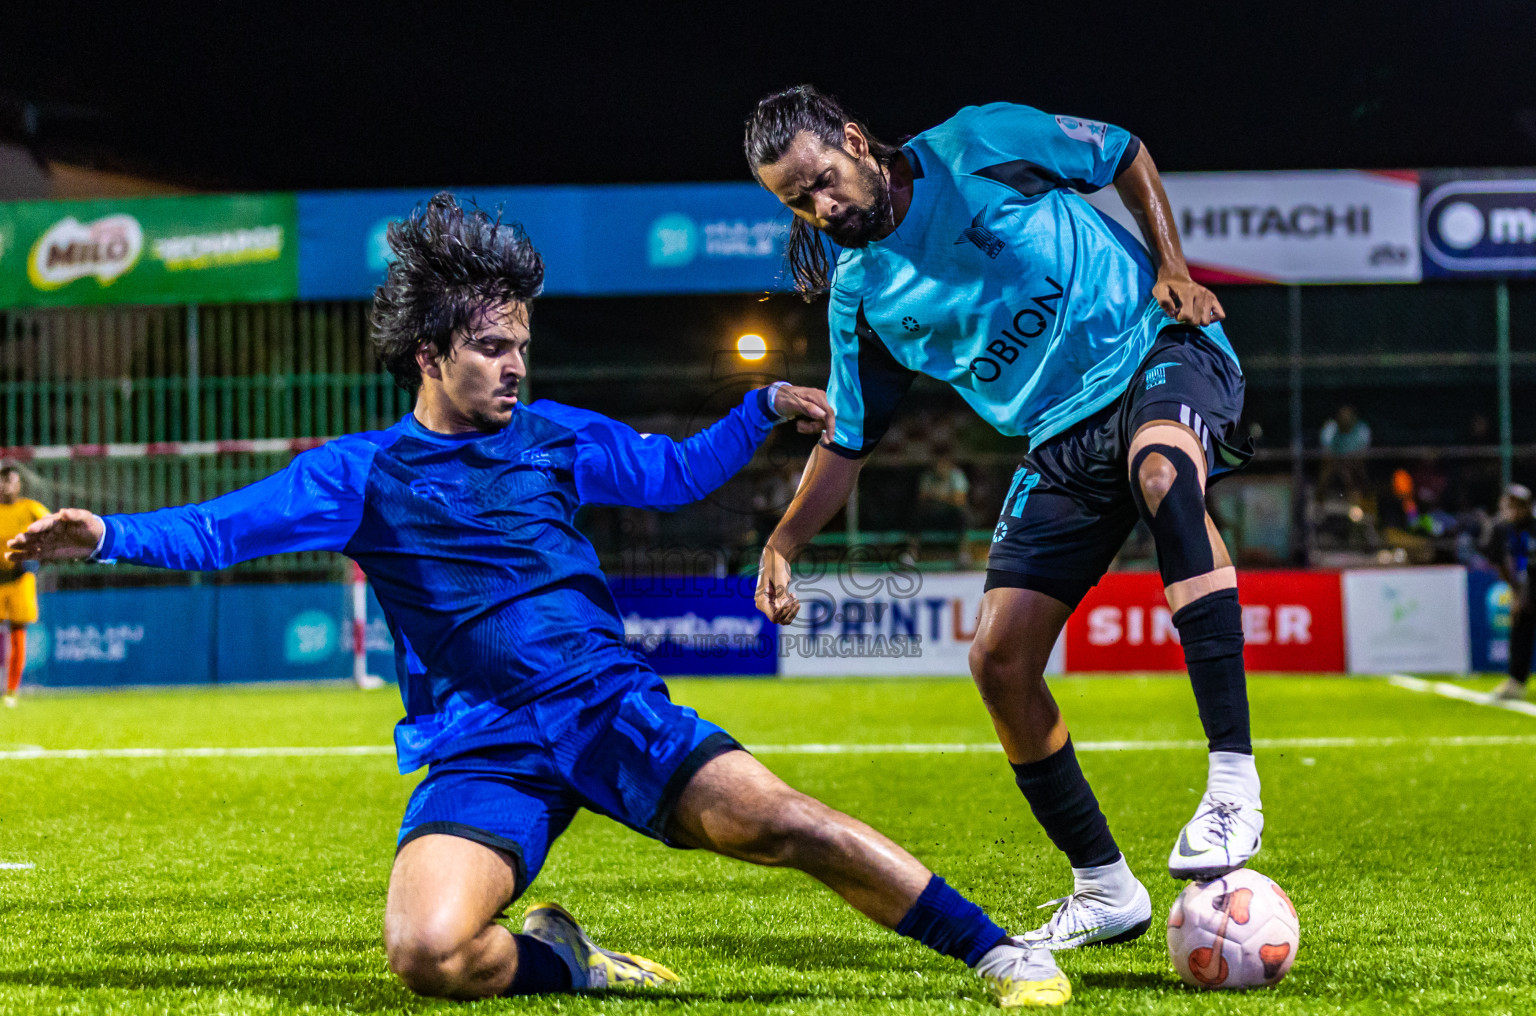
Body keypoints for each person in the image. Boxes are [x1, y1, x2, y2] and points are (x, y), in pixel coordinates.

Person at [7, 193, 1070, 1008]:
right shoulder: (360, 471)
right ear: (430, 356)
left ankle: (996, 948)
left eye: (524, 345)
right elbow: (217, 531)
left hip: (608, 707)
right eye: (492, 348)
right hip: (483, 743)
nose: (518, 365)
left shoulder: (555, 433)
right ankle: (565, 960)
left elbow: (673, 476)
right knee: (429, 953)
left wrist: (759, 410)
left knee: (787, 823)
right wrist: (101, 532)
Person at [745, 86, 1261, 950]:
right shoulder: (861, 295)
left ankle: (1233, 785)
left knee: (1165, 472)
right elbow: (849, 440)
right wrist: (783, 542)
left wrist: (1172, 264)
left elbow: (1125, 149)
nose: (821, 208)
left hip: (1154, 348)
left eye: (824, 181)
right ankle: (1104, 890)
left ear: (855, 140)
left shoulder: (979, 142)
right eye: (798, 201)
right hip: (1057, 438)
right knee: (998, 659)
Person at [0, 465, 49, 706]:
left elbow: (53, 526)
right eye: (1, 480)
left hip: (20, 578)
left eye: (9, 480)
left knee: (18, 635)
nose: (4, 485)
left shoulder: (30, 509)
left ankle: (11, 691)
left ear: (19, 484)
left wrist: (40, 554)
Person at [1484, 484, 1534, 701]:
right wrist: (1514, 592)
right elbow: (1498, 562)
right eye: (1509, 505)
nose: (1512, 511)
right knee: (1520, 628)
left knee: (1523, 615)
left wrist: (1522, 596)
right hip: (1523, 585)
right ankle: (1516, 680)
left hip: (1532, 582)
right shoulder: (1500, 529)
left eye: (1518, 506)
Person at [909, 442, 972, 567]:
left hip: (950, 516)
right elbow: (922, 498)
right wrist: (947, 497)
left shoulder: (956, 475)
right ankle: (910, 554)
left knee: (962, 513)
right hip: (932, 514)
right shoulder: (928, 476)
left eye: (944, 461)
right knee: (916, 513)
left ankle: (963, 554)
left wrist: (936, 495)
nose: (941, 464)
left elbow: (959, 500)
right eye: (938, 461)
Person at [1318, 404, 1371, 502]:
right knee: (1326, 469)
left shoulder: (1362, 429)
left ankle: (1363, 497)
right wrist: (1340, 464)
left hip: (1353, 461)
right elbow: (1327, 453)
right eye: (1342, 416)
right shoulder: (1330, 428)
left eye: (1348, 416)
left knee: (1358, 470)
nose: (1345, 419)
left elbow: (1362, 454)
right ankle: (1320, 499)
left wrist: (1348, 462)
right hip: (1334, 460)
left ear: (1354, 418)